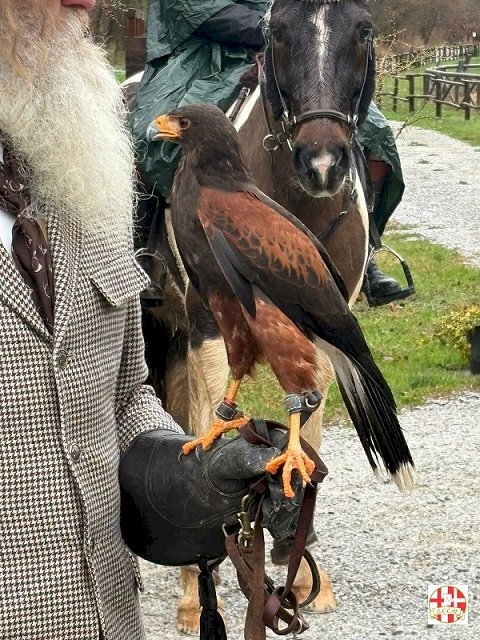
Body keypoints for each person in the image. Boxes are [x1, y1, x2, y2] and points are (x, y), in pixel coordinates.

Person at [0, 2, 294, 638]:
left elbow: (125, 395)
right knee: (162, 146)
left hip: (109, 618)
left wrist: (195, 474)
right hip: (193, 58)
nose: (88, 2)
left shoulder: (79, 170)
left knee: (363, 131)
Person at [130, 0, 408, 304]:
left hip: (291, 49)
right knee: (148, 126)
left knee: (377, 135)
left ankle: (366, 251)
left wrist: (301, 29)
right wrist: (272, 28)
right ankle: (145, 245)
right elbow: (195, 8)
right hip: (206, 54)